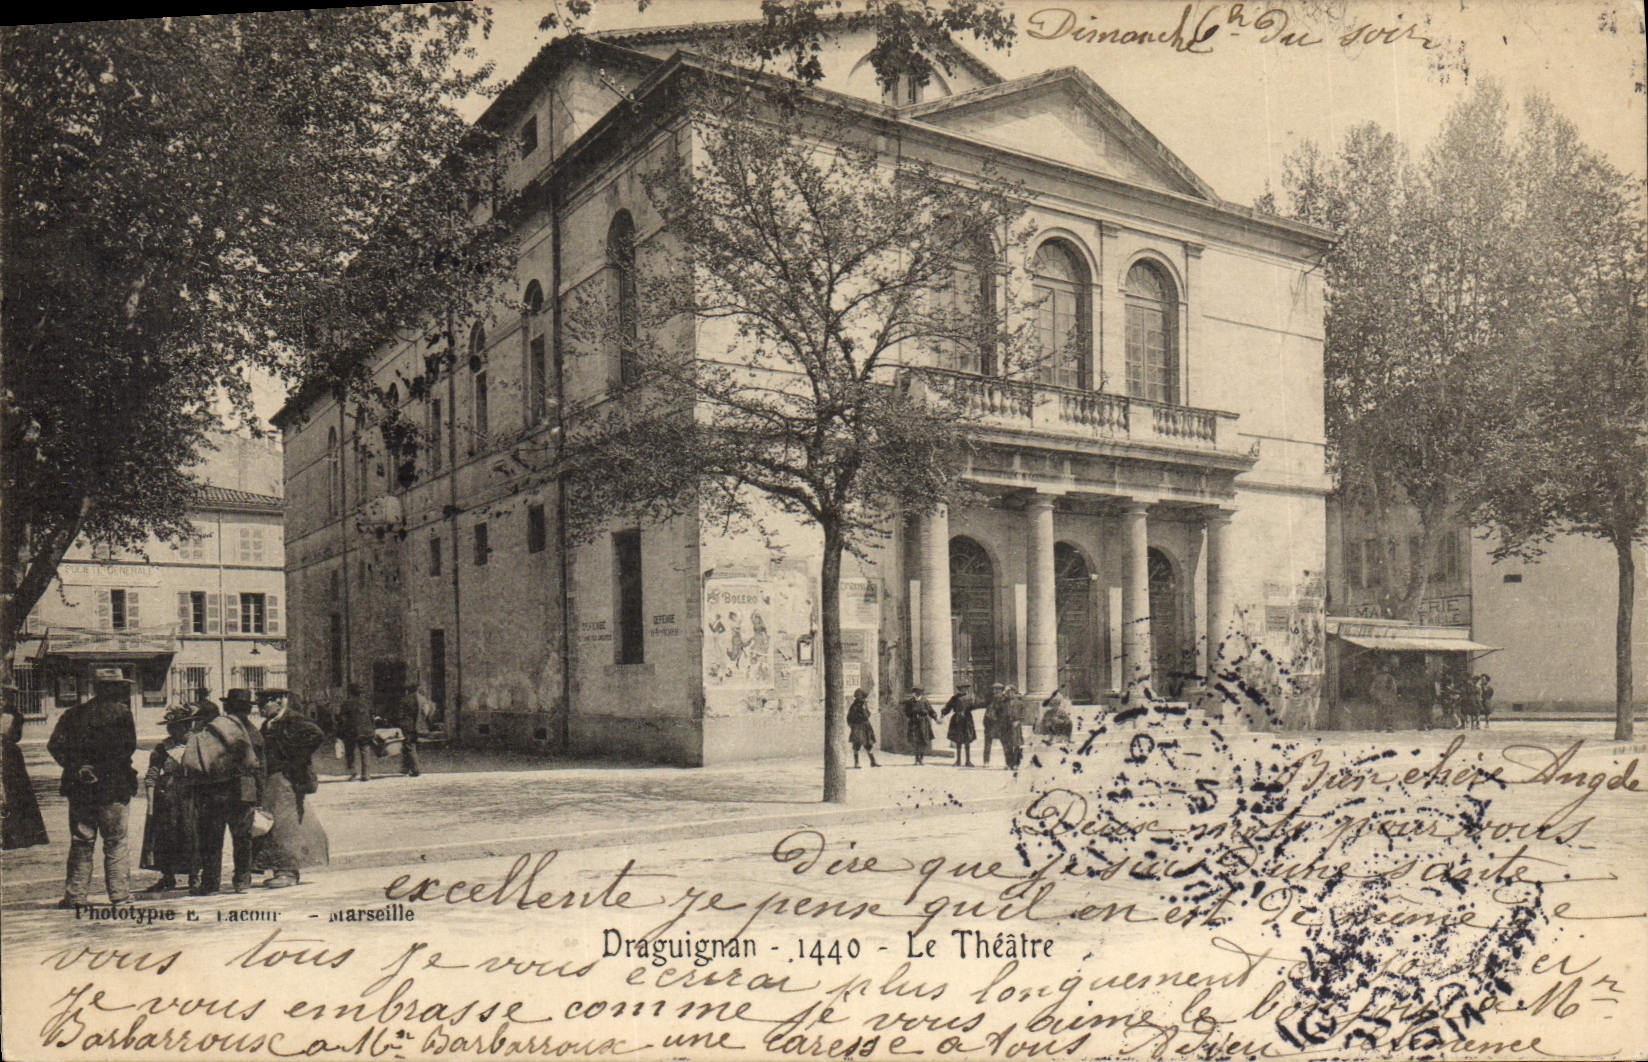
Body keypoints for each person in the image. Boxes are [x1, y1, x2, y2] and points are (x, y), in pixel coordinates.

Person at [46, 670, 138, 907]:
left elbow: (54, 745)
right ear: (112, 688)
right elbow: (127, 749)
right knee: (116, 841)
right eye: (118, 686)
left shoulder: (73, 714)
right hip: (113, 788)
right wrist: (101, 768)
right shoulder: (122, 714)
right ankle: (120, 895)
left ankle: (75, 896)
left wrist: (79, 767)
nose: (120, 691)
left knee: (81, 841)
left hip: (80, 789)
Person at [187, 688, 264, 895]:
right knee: (242, 838)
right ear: (248, 709)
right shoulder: (253, 730)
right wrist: (260, 794)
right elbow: (258, 764)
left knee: (211, 837)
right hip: (243, 789)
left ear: (227, 706)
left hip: (213, 790)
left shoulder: (212, 727)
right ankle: (242, 880)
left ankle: (210, 883)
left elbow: (195, 761)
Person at [254, 691, 329, 888]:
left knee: (284, 825)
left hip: (285, 779)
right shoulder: (270, 722)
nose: (260, 707)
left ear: (278, 702)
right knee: (277, 824)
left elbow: (317, 735)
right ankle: (281, 869)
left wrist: (293, 760)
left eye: (264, 703)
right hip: (274, 780)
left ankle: (287, 872)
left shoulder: (292, 719)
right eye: (258, 703)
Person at [138, 706, 197, 892]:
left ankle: (195, 876)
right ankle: (168, 877)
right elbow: (151, 776)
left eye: (176, 727)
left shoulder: (198, 745)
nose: (171, 731)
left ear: (187, 726)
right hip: (167, 800)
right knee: (165, 837)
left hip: (191, 798)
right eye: (169, 727)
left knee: (191, 836)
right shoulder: (162, 748)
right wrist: (150, 804)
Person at [2, 686, 49, 850]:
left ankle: (17, 835)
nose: (4, 699)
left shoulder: (12, 715)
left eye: (6, 697)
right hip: (9, 756)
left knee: (14, 793)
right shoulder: (12, 715)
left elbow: (12, 736)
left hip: (8, 758)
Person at [338, 683, 374, 782]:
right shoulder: (366, 703)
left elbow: (342, 719)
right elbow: (372, 716)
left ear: (350, 692)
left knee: (349, 752)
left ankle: (353, 772)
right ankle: (366, 774)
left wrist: (340, 731)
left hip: (351, 731)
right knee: (365, 751)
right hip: (365, 731)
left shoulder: (346, 703)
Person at [941, 684, 977, 767]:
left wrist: (974, 702)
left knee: (967, 740)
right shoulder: (954, 698)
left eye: (966, 688)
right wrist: (943, 713)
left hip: (967, 720)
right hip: (957, 720)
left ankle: (968, 761)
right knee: (958, 741)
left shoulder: (970, 698)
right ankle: (958, 760)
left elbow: (974, 706)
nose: (964, 690)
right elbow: (948, 707)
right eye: (962, 688)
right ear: (959, 689)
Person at [901, 687, 937, 766]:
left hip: (924, 723)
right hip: (914, 723)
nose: (918, 693)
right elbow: (906, 712)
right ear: (914, 693)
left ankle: (921, 758)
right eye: (916, 692)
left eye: (919, 692)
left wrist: (935, 718)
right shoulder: (910, 702)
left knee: (923, 741)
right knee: (915, 741)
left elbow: (931, 711)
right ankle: (916, 759)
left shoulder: (925, 701)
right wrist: (912, 716)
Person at [395, 681, 423, 777]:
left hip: (407, 726)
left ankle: (416, 769)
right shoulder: (421, 699)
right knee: (409, 746)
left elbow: (400, 715)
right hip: (417, 726)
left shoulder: (405, 700)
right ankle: (405, 768)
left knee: (409, 746)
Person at [846, 688, 878, 768]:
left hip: (866, 726)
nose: (864, 699)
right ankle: (856, 763)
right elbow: (850, 717)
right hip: (858, 726)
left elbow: (868, 714)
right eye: (862, 697)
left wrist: (865, 710)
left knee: (868, 744)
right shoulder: (855, 706)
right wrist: (852, 726)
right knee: (857, 744)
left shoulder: (864, 705)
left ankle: (873, 761)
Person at [981, 683, 1009, 766]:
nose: (995, 691)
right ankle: (986, 762)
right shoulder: (990, 699)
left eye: (998, 689)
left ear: (1001, 690)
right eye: (994, 689)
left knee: (1005, 744)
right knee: (987, 744)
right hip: (990, 725)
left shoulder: (1004, 700)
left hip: (1000, 725)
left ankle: (1008, 762)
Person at [1370, 663, 1399, 733]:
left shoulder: (1377, 678)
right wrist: (1394, 696)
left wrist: (1375, 695)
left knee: (1379, 713)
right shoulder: (1390, 678)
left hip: (1380, 698)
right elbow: (1394, 688)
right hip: (1388, 698)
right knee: (1388, 713)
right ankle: (1389, 727)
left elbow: (1372, 689)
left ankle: (1378, 727)